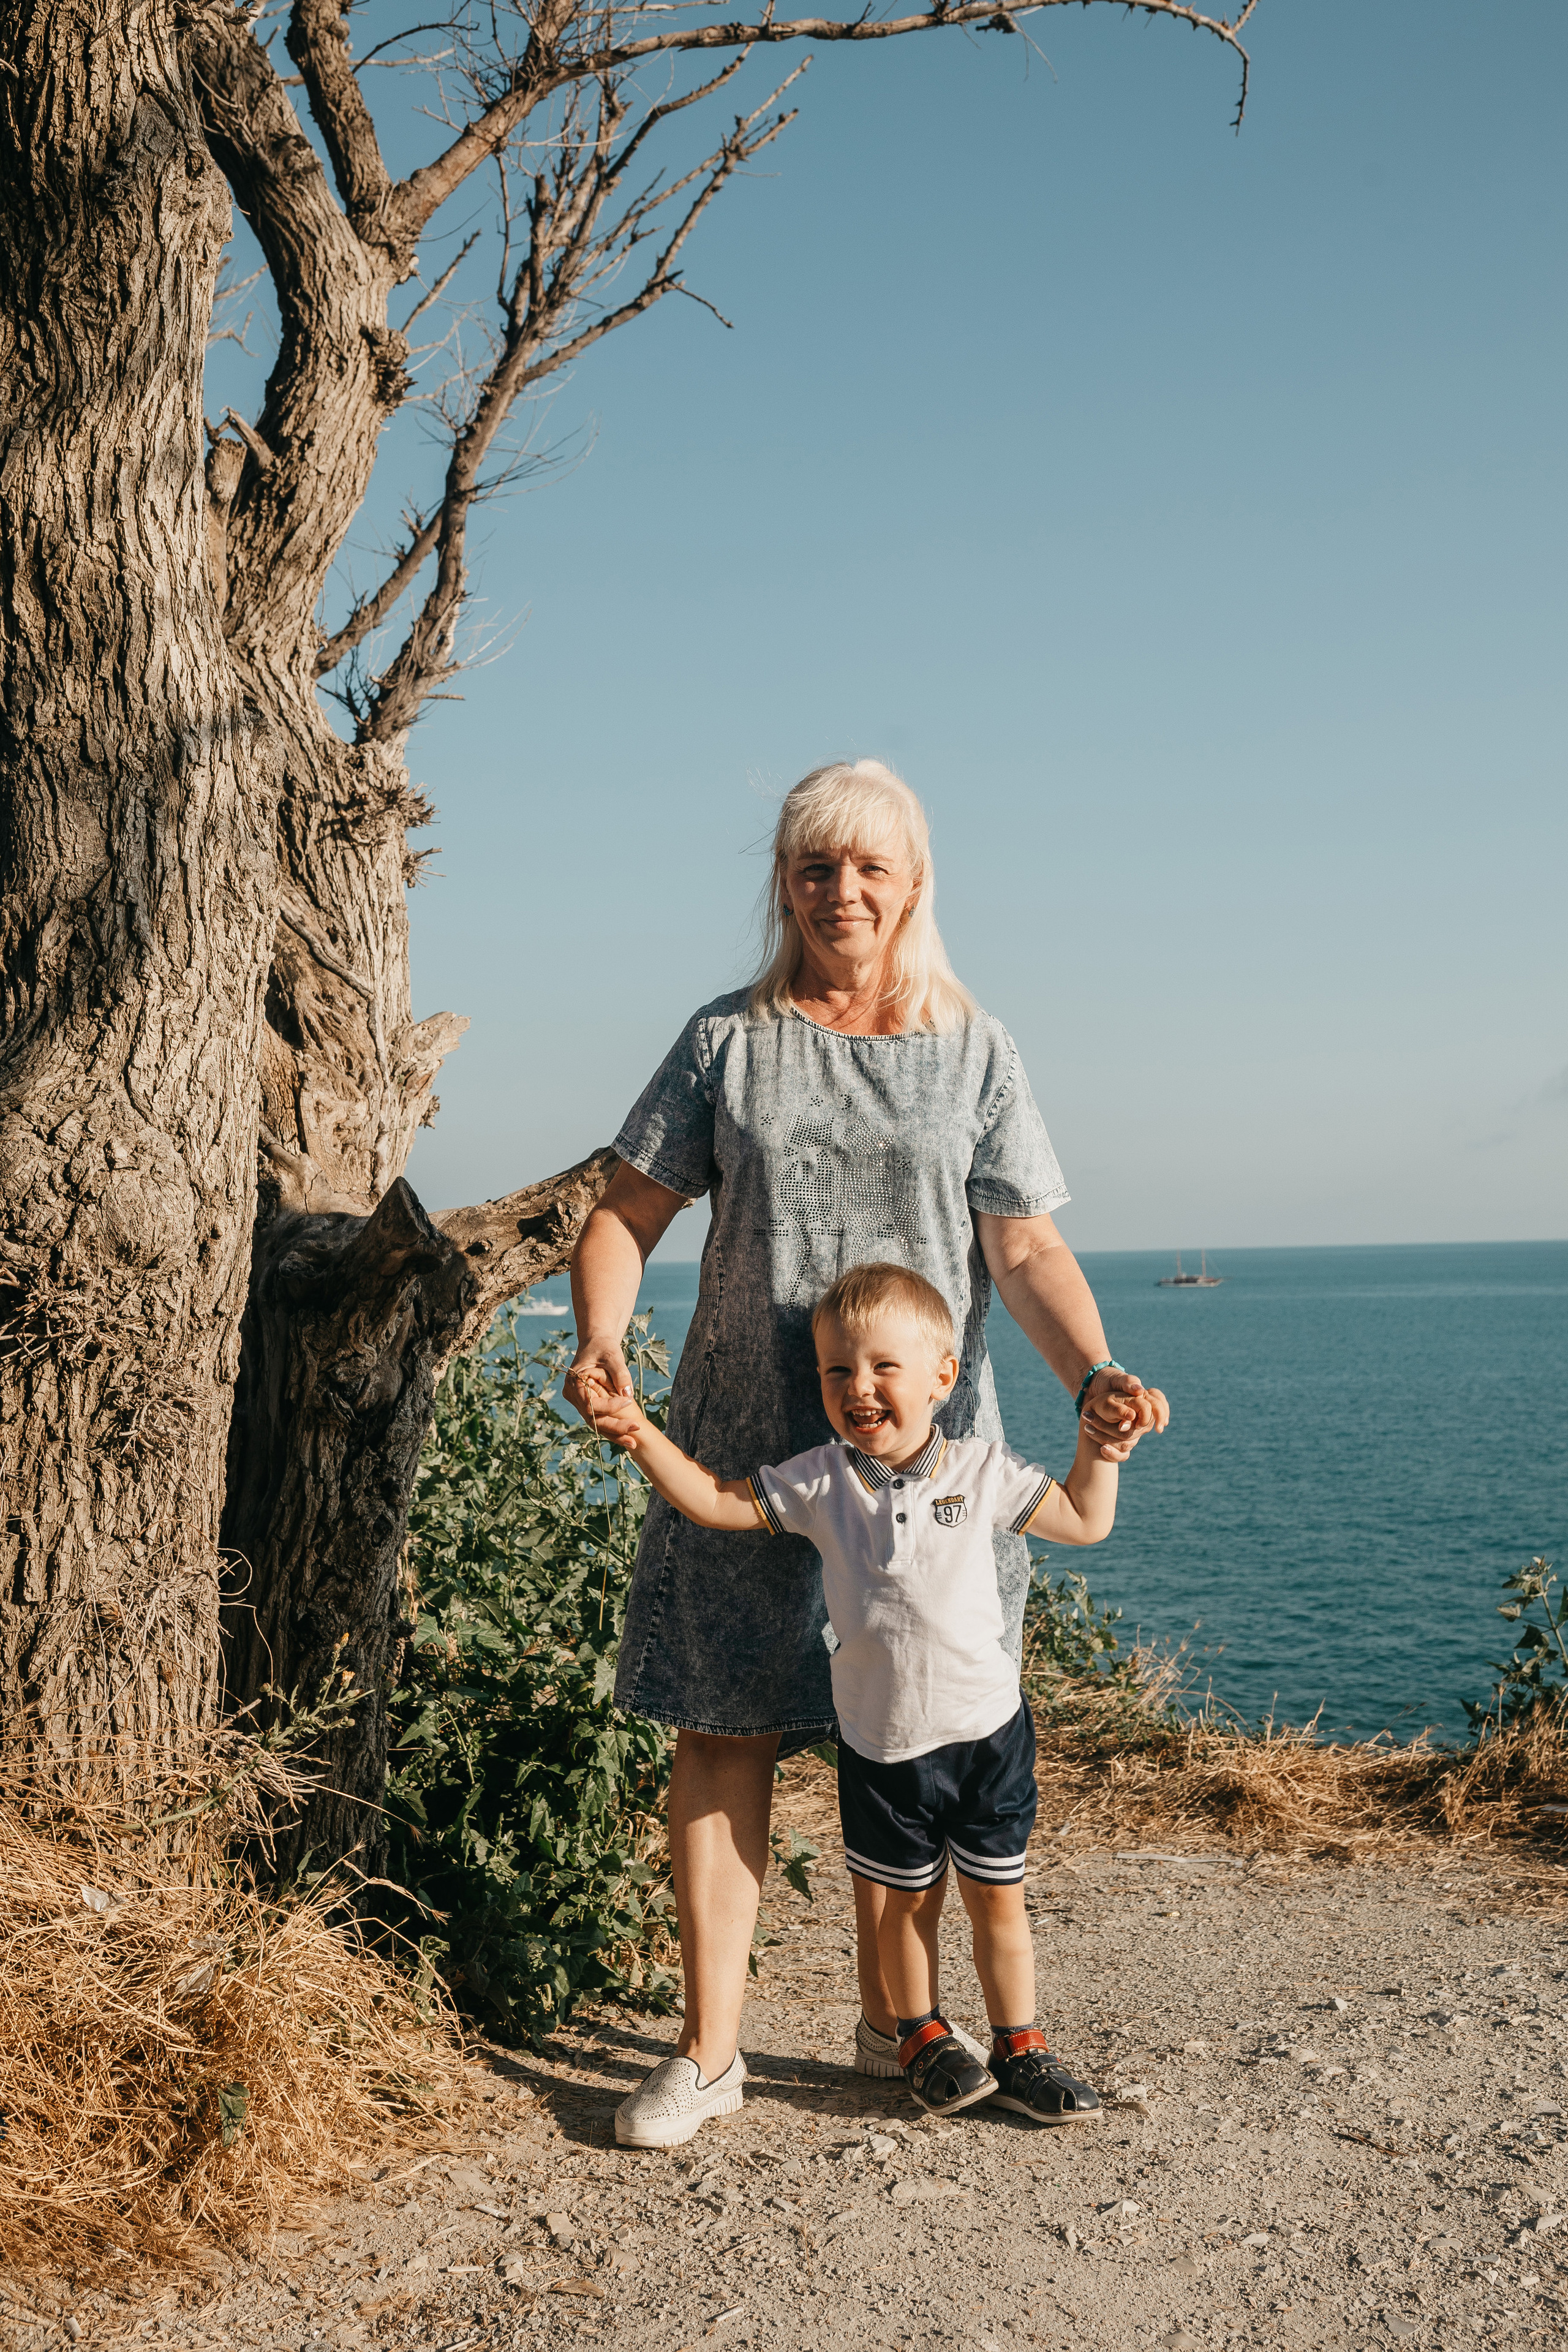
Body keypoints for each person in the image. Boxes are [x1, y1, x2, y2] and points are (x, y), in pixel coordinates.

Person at [566, 758, 1169, 2144]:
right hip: (740, 1445)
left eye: (870, 868)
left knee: (899, 1728)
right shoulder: (725, 1040)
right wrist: (604, 1337)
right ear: (783, 884)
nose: (844, 892)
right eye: (814, 867)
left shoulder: (976, 1048)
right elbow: (621, 1215)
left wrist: (1095, 1376)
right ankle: (710, 2054)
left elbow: (1021, 1248)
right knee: (722, 1736)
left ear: (914, 884)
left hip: (931, 1470)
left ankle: (889, 2016)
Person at [584, 1262, 1164, 2144]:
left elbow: (1087, 1520)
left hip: (987, 1737)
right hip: (884, 1747)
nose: (859, 1388)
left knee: (999, 1902)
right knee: (903, 1907)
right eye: (837, 1371)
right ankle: (918, 2033)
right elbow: (711, 1502)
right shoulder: (822, 1482)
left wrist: (1103, 1448)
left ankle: (1021, 2047)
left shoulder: (981, 1470)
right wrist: (637, 1435)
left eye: (884, 1367)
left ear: (944, 1376)